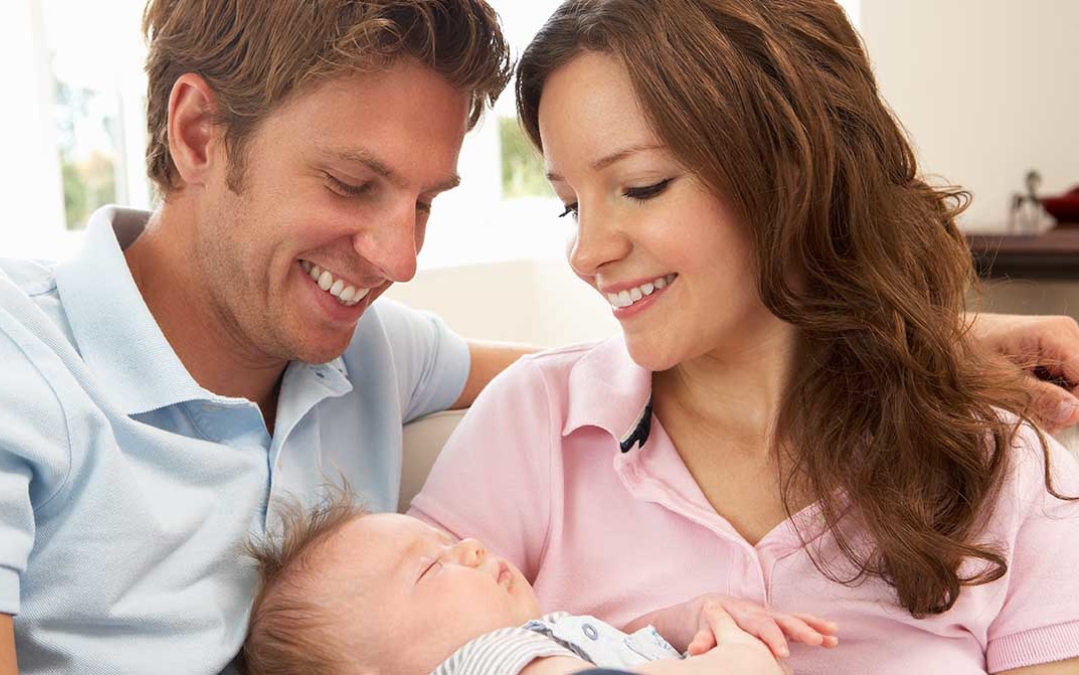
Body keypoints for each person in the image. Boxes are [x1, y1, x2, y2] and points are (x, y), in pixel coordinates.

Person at [0, 1, 1074, 673]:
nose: (399, 259)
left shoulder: (360, 354)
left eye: (428, 202)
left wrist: (921, 344)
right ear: (198, 132)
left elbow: (586, 369)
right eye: (352, 181)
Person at [409, 2, 1079, 675]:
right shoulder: (533, 425)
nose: (586, 253)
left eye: (641, 187)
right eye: (571, 204)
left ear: (792, 171)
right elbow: (377, 648)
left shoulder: (1005, 469)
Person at [239, 493, 837, 675]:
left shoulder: (532, 644)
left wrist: (691, 620)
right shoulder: (488, 661)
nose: (469, 547)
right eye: (430, 566)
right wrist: (741, 656)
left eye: (447, 545)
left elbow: (611, 657)